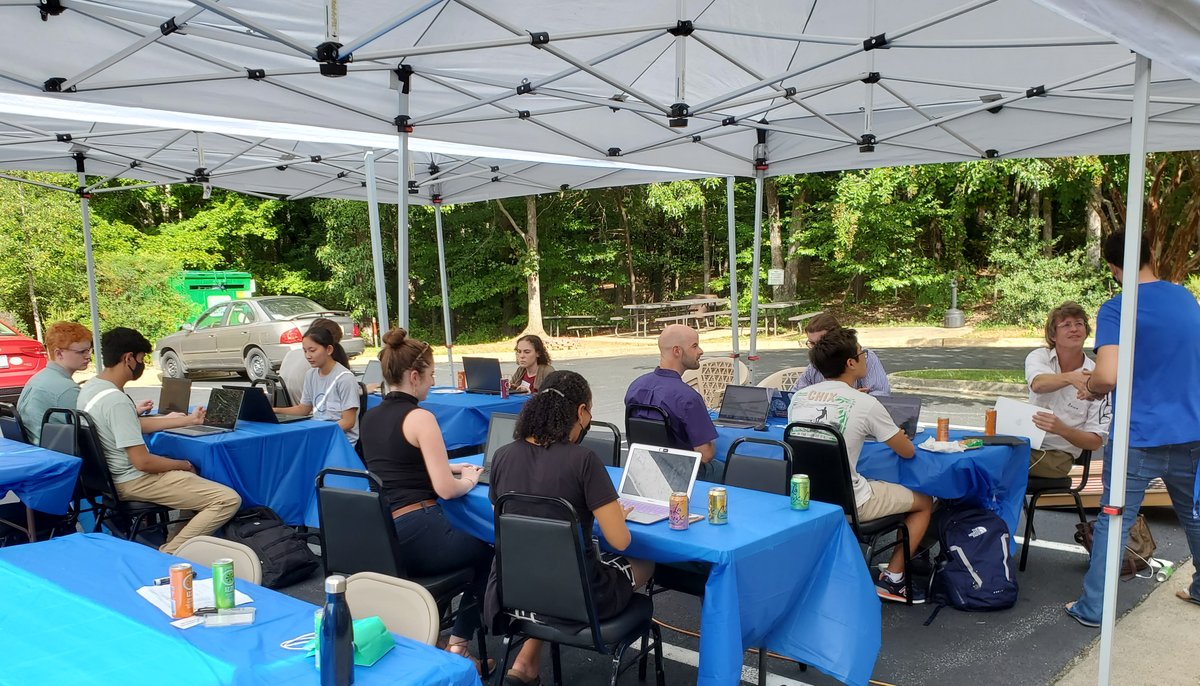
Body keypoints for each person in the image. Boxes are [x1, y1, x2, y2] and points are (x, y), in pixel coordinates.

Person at [486, 370, 653, 686]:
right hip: (579, 597)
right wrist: (615, 515)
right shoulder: (584, 461)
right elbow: (620, 540)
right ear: (580, 412)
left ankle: (525, 664)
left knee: (557, 566)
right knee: (647, 562)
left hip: (513, 591)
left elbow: (508, 518)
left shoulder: (503, 456)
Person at [1066, 232, 1200, 626]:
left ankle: (1093, 608)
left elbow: (1106, 375)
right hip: (1191, 429)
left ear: (1112, 267)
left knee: (1114, 518)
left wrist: (1089, 387)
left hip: (1138, 436)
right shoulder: (1185, 298)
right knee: (1193, 514)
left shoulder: (1117, 308)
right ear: (1151, 254)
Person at [359, 328, 492, 668]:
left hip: (382, 535)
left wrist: (447, 464)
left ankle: (435, 635)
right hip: (420, 531)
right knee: (493, 553)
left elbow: (398, 462)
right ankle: (459, 649)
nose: (433, 383)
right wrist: (468, 477)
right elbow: (446, 490)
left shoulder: (370, 417)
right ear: (414, 376)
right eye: (431, 376)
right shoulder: (421, 417)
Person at [787, 327, 932, 604]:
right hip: (852, 500)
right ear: (850, 363)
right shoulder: (865, 402)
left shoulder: (799, 398)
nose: (866, 357)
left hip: (807, 495)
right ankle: (894, 578)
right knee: (925, 500)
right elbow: (907, 451)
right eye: (861, 353)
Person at [76, 327, 240, 554]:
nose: (142, 365)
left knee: (191, 480)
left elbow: (130, 426)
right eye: (141, 359)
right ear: (128, 358)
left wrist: (186, 421)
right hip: (132, 480)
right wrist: (182, 464)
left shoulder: (92, 389)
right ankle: (171, 553)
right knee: (226, 499)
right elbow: (143, 463)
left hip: (107, 481)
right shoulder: (116, 401)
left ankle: (175, 541)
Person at [1025, 302, 1110, 478]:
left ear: (1086, 332)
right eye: (1066, 325)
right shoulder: (1040, 357)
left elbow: (1095, 441)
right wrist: (1070, 377)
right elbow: (1038, 384)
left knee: (997, 462)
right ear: (1053, 335)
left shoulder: (1098, 377)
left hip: (1058, 456)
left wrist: (1062, 429)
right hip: (1026, 446)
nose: (1074, 329)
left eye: (1079, 324)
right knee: (980, 452)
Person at [623, 324, 719, 478]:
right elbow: (705, 455)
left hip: (645, 470)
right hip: (684, 475)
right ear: (677, 351)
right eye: (695, 346)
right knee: (727, 465)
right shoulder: (688, 398)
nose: (701, 351)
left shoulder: (635, 387)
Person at [276, 325, 359, 444]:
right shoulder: (311, 374)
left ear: (329, 350)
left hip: (340, 442)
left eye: (312, 350)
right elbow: (303, 409)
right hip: (319, 436)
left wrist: (317, 433)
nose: (307, 356)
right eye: (305, 351)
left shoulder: (345, 378)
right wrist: (275, 410)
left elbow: (348, 422)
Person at [17, 321, 95, 445]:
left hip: (39, 451)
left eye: (89, 350)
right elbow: (96, 431)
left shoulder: (36, 379)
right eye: (81, 352)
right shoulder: (66, 390)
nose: (88, 356)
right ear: (58, 353)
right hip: (61, 456)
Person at [791, 313, 890, 396]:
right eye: (812, 344)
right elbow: (795, 395)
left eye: (822, 343)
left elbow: (881, 395)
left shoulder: (863, 356)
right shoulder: (815, 365)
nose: (817, 349)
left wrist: (855, 400)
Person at [277, 317, 346, 404]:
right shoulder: (317, 363)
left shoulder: (291, 354)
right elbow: (339, 394)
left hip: (291, 409)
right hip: (312, 411)